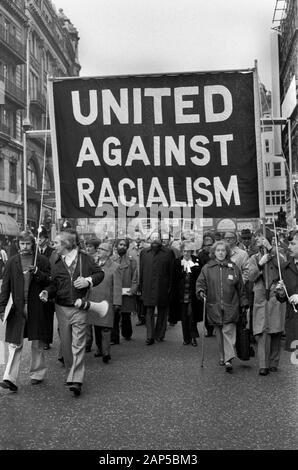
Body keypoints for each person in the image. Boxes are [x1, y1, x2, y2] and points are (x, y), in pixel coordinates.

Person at [39, 230, 104, 397]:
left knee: (78, 343)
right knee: (66, 345)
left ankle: (76, 380)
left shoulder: (85, 259)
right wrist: (47, 292)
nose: (54, 246)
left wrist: (88, 281)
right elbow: (54, 284)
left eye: (57, 243)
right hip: (61, 308)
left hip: (79, 308)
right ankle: (71, 371)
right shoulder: (56, 261)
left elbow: (99, 274)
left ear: (66, 245)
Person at [0, 231, 51, 392]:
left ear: (33, 244)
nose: (25, 247)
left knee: (37, 342)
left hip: (36, 307)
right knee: (15, 343)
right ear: (18, 244)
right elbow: (5, 286)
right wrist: (2, 308)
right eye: (22, 244)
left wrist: (38, 272)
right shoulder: (12, 262)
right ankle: (9, 378)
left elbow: (50, 281)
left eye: (28, 243)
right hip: (17, 307)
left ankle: (37, 373)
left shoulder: (41, 260)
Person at [196, 240, 248, 372]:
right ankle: (222, 355)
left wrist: (244, 302)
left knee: (228, 331)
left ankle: (228, 359)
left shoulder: (233, 267)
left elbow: (241, 288)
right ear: (214, 252)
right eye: (218, 250)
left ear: (227, 252)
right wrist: (201, 291)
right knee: (219, 332)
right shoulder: (207, 268)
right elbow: (200, 283)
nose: (220, 253)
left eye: (223, 250)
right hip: (214, 306)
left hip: (231, 305)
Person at [248, 228, 286, 376]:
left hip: (275, 293)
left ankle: (274, 362)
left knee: (276, 329)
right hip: (261, 294)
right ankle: (263, 364)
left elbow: (284, 265)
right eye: (257, 238)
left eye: (261, 237)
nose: (258, 240)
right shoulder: (254, 258)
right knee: (262, 330)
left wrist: (271, 250)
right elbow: (250, 277)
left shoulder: (278, 253)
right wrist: (259, 265)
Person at [139, 232, 175, 345]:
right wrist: (141, 287)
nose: (155, 239)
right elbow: (142, 271)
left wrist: (171, 287)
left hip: (163, 286)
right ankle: (150, 336)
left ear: (161, 239)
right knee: (149, 311)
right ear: (149, 239)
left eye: (157, 237)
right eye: (153, 237)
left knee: (162, 311)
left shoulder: (169, 253)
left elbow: (172, 272)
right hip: (148, 286)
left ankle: (160, 334)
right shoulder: (144, 253)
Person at [89, 242, 121, 363]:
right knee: (96, 326)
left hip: (107, 301)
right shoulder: (94, 265)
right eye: (98, 248)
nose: (98, 250)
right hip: (94, 299)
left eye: (102, 249)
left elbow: (117, 286)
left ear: (108, 253)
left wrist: (117, 303)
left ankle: (106, 352)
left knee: (106, 328)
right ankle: (99, 349)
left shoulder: (115, 267)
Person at [173, 242, 202, 346]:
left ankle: (193, 337)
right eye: (184, 251)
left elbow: (199, 277)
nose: (186, 253)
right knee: (184, 317)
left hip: (192, 294)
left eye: (188, 251)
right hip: (181, 294)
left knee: (191, 316)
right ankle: (186, 338)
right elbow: (174, 278)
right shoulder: (177, 262)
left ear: (191, 251)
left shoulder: (197, 261)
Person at [111, 238, 138, 343]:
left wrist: (133, 289)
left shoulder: (132, 261)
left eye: (125, 245)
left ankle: (127, 334)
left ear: (127, 247)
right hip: (115, 291)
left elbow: (135, 277)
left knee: (126, 314)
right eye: (120, 244)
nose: (122, 247)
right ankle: (114, 338)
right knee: (115, 315)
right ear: (116, 246)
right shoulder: (111, 260)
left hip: (127, 291)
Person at [275, 230, 298, 352]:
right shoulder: (285, 267)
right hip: (293, 322)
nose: (289, 247)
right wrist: (281, 293)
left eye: (293, 244)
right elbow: (282, 298)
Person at [37, 226, 55, 350]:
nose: (39, 240)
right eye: (38, 237)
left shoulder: (52, 252)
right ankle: (38, 337)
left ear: (46, 239)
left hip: (48, 285)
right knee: (38, 314)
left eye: (41, 237)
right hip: (36, 286)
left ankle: (47, 340)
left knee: (48, 314)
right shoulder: (34, 252)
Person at [128, 230, 148, 326]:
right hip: (135, 277)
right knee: (137, 298)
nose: (138, 237)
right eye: (136, 235)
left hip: (145, 276)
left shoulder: (147, 248)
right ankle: (140, 317)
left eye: (140, 235)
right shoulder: (130, 249)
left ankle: (146, 317)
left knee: (145, 297)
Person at [84, 237, 101, 352]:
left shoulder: (99, 259)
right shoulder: (84, 258)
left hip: (98, 290)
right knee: (87, 319)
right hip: (87, 291)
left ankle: (100, 344)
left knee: (97, 318)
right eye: (87, 246)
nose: (88, 248)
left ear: (96, 248)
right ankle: (87, 342)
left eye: (90, 246)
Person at [197, 232, 215, 337]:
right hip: (206, 283)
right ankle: (209, 328)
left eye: (210, 244)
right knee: (206, 307)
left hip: (216, 282)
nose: (208, 247)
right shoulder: (201, 255)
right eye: (206, 245)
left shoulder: (216, 254)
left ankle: (215, 325)